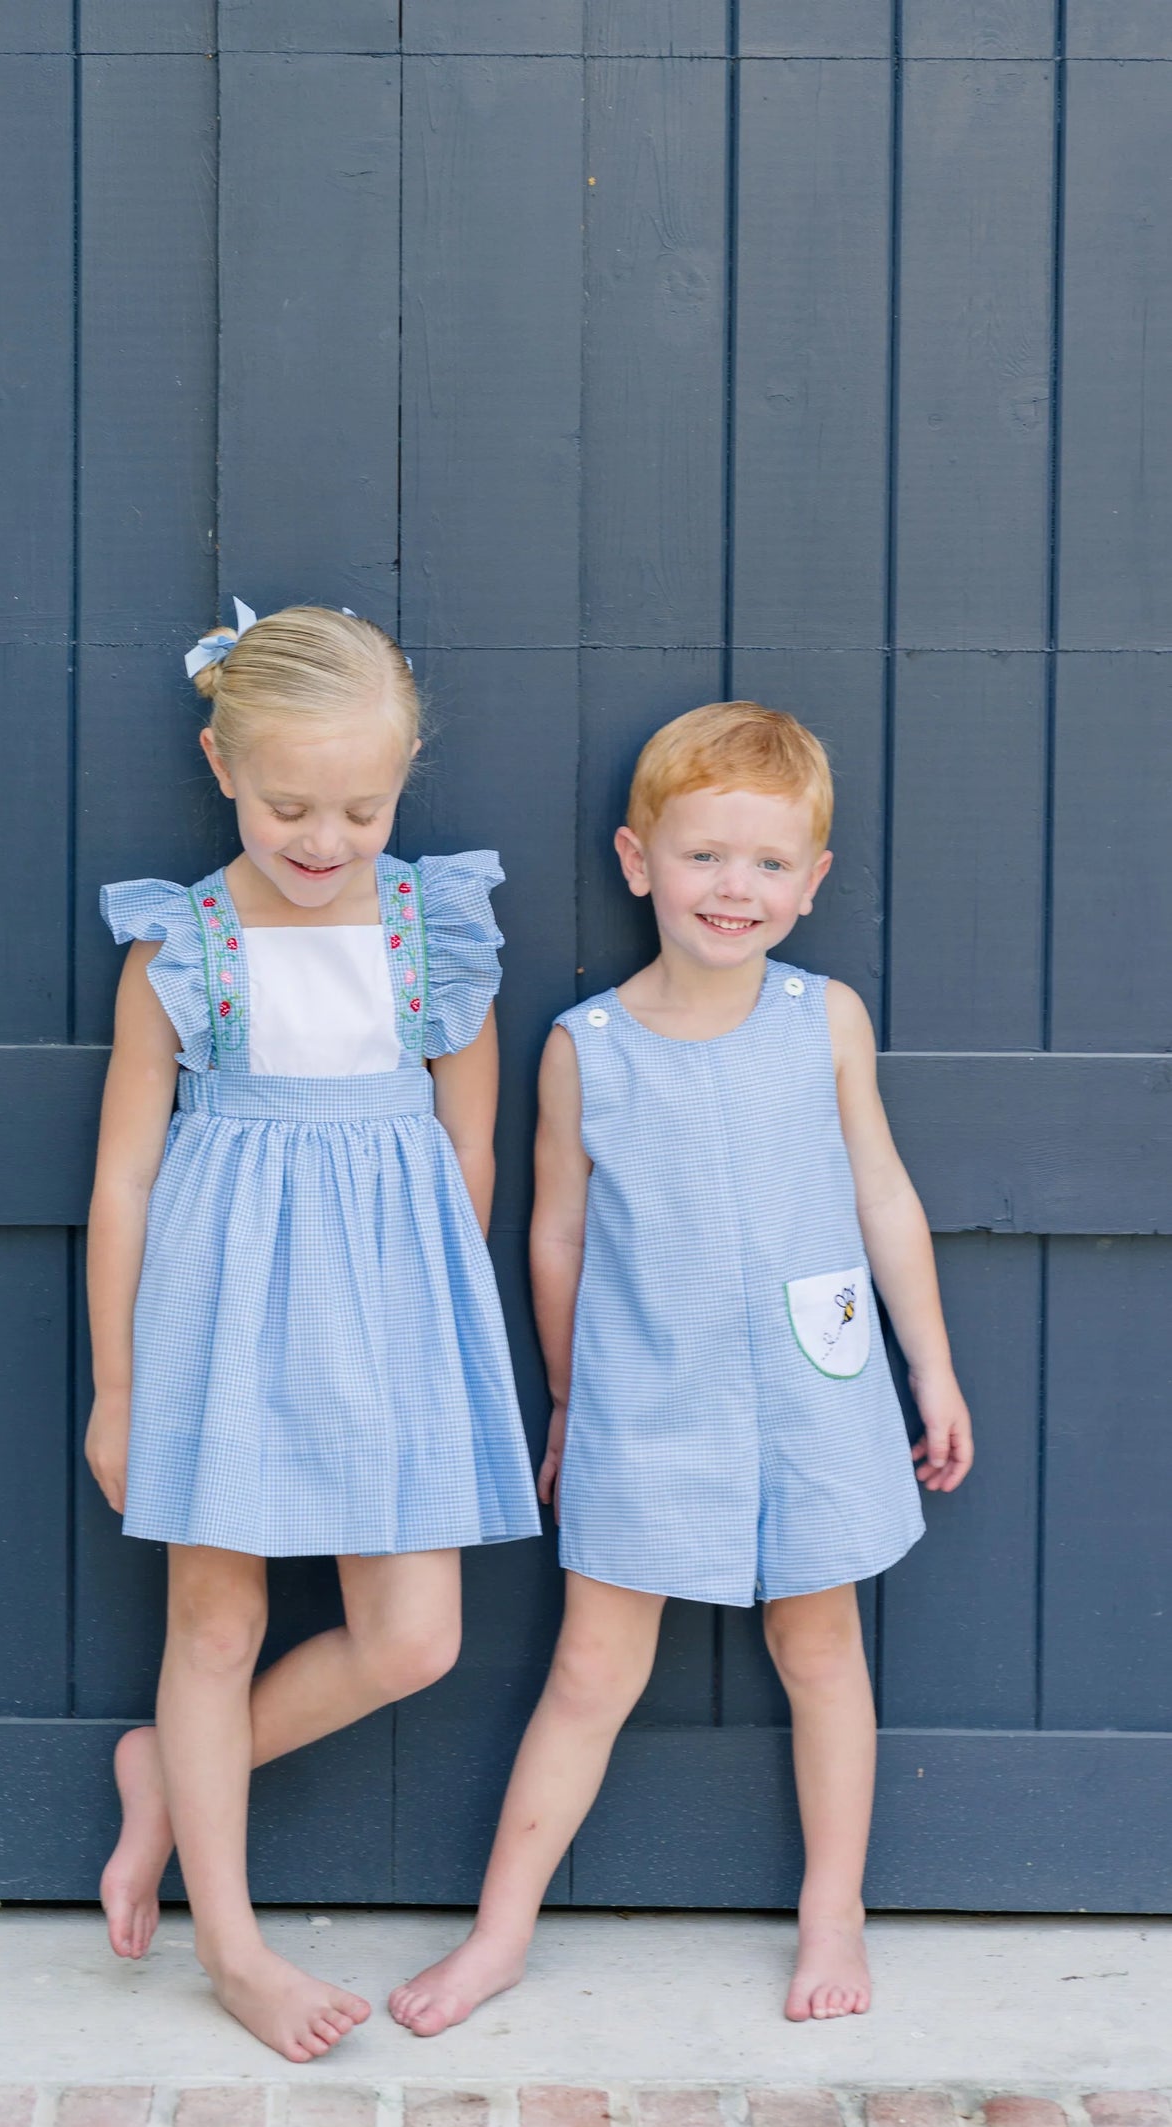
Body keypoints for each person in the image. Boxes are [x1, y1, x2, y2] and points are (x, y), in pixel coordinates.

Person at [390, 700, 973, 2035]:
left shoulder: (824, 1019)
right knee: (591, 1674)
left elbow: (881, 1195)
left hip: (821, 1390)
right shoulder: (583, 1048)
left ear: (810, 884)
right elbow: (553, 1235)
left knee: (817, 1644)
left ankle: (834, 1905)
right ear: (636, 857)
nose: (735, 888)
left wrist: (927, 1371)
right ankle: (498, 1933)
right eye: (705, 855)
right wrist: (564, 1402)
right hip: (642, 1407)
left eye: (769, 865)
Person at [86, 602, 540, 2062]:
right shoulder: (183, 942)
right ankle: (231, 1945)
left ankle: (166, 1776)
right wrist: (115, 1385)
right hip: (217, 1315)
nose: (327, 836)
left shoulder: (433, 929)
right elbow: (125, 1175)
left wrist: (428, 1343)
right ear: (221, 765)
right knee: (212, 1627)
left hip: (391, 1314)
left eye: (363, 805)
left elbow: (468, 1157)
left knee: (410, 1637)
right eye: (290, 804)